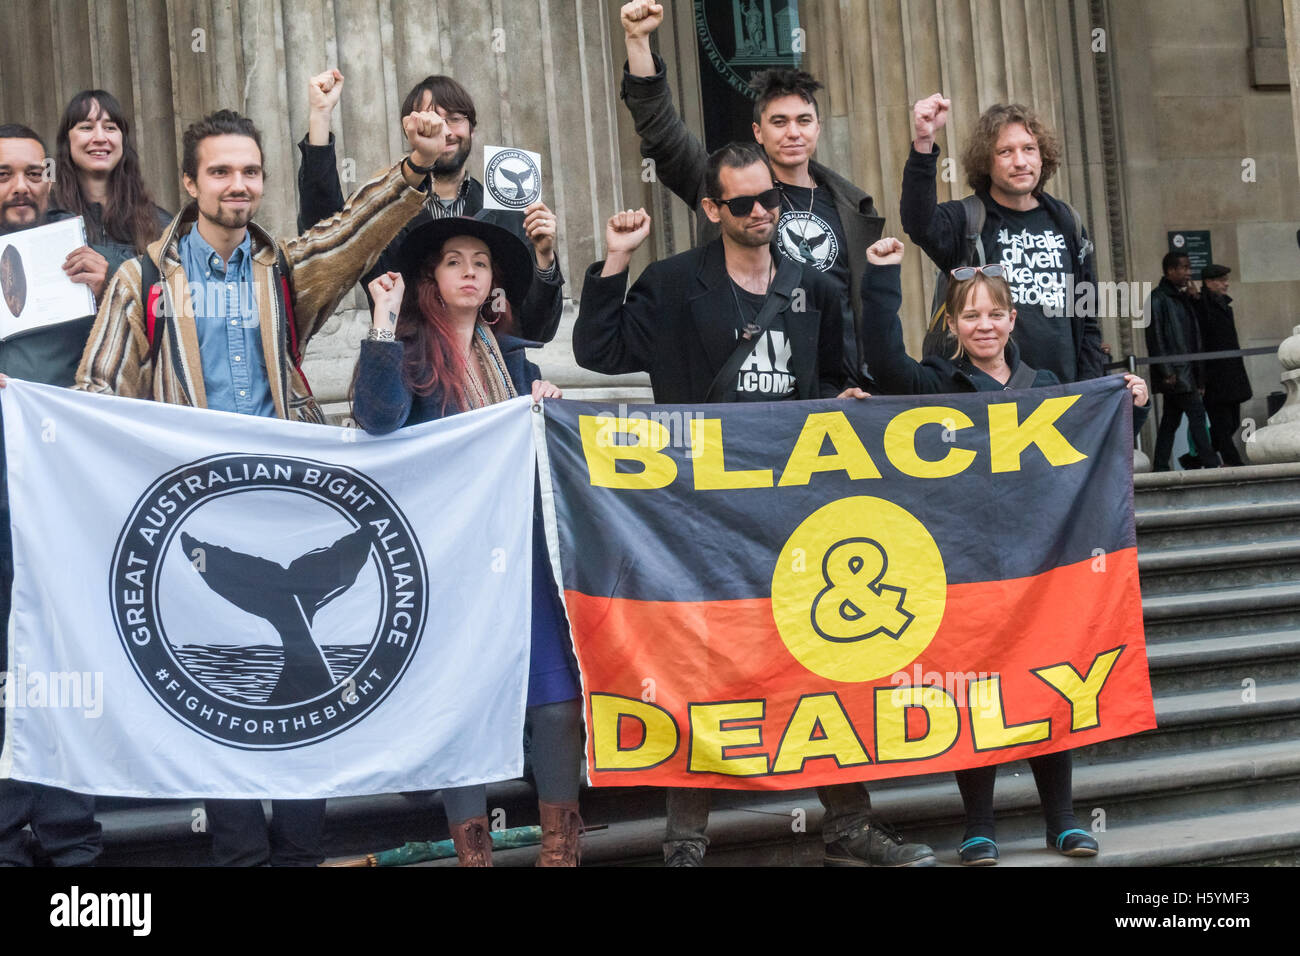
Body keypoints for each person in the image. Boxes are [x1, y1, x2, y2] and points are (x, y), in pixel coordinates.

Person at [74, 106, 446, 864]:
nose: (237, 185)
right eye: (220, 172)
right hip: (198, 527)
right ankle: (242, 856)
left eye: (249, 172)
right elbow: (96, 396)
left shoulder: (283, 271)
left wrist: (415, 169)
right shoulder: (141, 278)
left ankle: (300, 853)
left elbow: (348, 235)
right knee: (220, 695)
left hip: (286, 515)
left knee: (305, 690)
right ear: (189, 183)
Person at [574, 141, 933, 868]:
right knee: (697, 665)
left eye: (769, 197)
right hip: (696, 513)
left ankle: (849, 824)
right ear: (712, 210)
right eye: (743, 203)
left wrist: (847, 400)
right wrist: (614, 261)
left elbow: (837, 377)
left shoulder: (816, 289)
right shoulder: (674, 284)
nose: (763, 211)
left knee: (822, 654)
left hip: (793, 512)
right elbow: (597, 350)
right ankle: (685, 839)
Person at [860, 235, 1148, 864]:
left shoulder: (1045, 383)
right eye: (970, 315)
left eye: (995, 313)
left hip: (1041, 566)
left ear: (1012, 319)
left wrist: (1131, 402)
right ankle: (979, 826)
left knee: (1049, 680)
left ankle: (1063, 821)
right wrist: (882, 276)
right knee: (974, 690)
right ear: (952, 325)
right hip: (963, 566)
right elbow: (885, 362)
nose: (984, 325)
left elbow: (1096, 449)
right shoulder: (934, 381)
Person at [350, 213, 584, 867]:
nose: (470, 271)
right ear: (432, 277)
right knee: (459, 703)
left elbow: (547, 458)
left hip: (523, 554)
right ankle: (473, 856)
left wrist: (549, 410)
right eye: (454, 260)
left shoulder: (515, 359)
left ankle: (560, 852)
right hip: (448, 561)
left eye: (480, 262)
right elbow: (376, 421)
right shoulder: (409, 353)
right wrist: (382, 321)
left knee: (558, 701)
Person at [618, 1, 883, 385]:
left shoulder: (851, 205)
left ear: (818, 128)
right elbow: (662, 131)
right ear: (758, 132)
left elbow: (855, 312)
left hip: (823, 386)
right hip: (741, 380)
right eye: (779, 122)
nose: (793, 132)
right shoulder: (725, 183)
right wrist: (638, 42)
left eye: (803, 120)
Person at [0, 123, 113, 867]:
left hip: (63, 497)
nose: (19, 188)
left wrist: (115, 294)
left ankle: (71, 833)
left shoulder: (86, 262)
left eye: (31, 173)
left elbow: (134, 366)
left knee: (64, 660)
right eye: (3, 174)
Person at [296, 69, 564, 343]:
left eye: (455, 119)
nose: (445, 131)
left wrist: (545, 260)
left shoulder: (508, 213)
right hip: (408, 372)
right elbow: (324, 238)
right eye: (432, 119)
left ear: (472, 128)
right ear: (409, 130)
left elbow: (537, 330)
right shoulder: (384, 213)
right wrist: (320, 116)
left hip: (491, 375)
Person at [901, 94, 1106, 384]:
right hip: (986, 396)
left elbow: (1088, 318)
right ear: (987, 162)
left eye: (1029, 149)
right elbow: (918, 222)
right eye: (1005, 152)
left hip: (1060, 394)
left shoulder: (1067, 221)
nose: (1020, 161)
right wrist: (924, 143)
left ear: (1042, 156)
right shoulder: (967, 219)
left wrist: (1089, 389)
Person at [49, 89, 172, 282]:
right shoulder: (48, 219)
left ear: (123, 140)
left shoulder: (161, 224)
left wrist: (112, 280)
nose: (99, 138)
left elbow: (175, 300)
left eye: (110, 128)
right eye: (86, 127)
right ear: (67, 141)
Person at [1145, 251, 1219, 471]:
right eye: (1184, 268)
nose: (1189, 273)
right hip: (1176, 373)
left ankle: (1160, 465)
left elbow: (1194, 337)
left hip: (1186, 371)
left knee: (1170, 421)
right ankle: (1210, 463)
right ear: (1170, 271)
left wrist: (1195, 299)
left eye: (1189, 268)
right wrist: (1166, 371)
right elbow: (1155, 337)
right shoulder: (1158, 299)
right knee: (1196, 416)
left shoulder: (1182, 298)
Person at [1196, 264, 1250, 467]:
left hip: (1231, 374)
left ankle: (1195, 457)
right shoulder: (1201, 306)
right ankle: (1234, 463)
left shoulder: (1224, 305)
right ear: (1209, 282)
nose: (1226, 284)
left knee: (1233, 422)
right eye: (1221, 280)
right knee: (1221, 424)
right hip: (1214, 376)